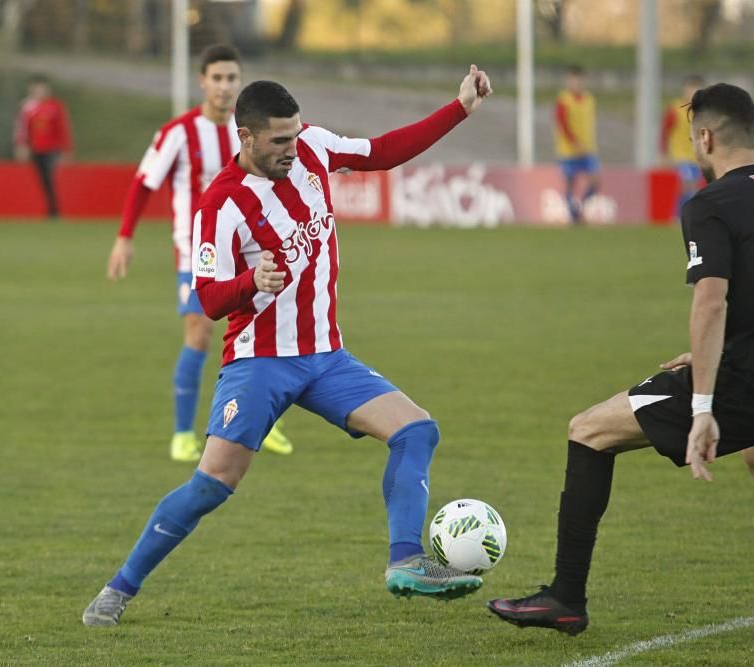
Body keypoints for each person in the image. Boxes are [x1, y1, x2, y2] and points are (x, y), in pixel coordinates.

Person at [82, 65, 494, 627]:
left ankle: (406, 561)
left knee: (417, 430)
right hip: (259, 362)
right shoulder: (221, 205)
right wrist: (253, 282)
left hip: (326, 355)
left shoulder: (315, 147)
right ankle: (118, 589)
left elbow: (383, 151)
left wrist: (459, 107)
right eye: (280, 141)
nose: (293, 149)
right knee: (212, 485)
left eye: (296, 135)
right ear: (245, 137)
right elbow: (208, 298)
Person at [489, 83, 754, 637]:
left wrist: (704, 403)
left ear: (703, 138)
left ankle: (565, 597)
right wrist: (711, 358)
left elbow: (712, 298)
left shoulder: (710, 203)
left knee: (588, 431)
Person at [106, 44, 294, 462]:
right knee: (199, 332)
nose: (226, 87)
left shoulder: (247, 131)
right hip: (196, 254)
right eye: (218, 78)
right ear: (203, 82)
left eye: (232, 78)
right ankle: (182, 434)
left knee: (269, 334)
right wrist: (124, 237)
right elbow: (143, 184)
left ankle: (270, 423)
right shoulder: (179, 132)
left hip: (251, 252)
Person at [14, 74, 72, 218]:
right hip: (35, 148)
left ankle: (54, 211)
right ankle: (51, 210)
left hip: (52, 148)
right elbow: (22, 128)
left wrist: (66, 149)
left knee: (49, 176)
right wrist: (22, 146)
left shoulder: (55, 106)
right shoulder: (27, 106)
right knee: (43, 179)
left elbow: (62, 128)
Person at [554, 65, 600, 225]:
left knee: (595, 182)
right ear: (568, 81)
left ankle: (579, 207)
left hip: (588, 149)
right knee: (570, 183)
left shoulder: (589, 99)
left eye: (579, 80)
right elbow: (562, 123)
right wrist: (574, 141)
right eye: (573, 80)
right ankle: (574, 216)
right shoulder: (563, 100)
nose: (576, 83)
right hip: (568, 151)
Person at [661, 75, 704, 221]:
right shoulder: (675, 109)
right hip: (679, 156)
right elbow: (665, 132)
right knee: (688, 184)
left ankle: (680, 216)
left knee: (691, 186)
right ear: (684, 90)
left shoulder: (702, 112)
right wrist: (664, 154)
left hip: (696, 157)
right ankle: (680, 216)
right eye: (690, 89)